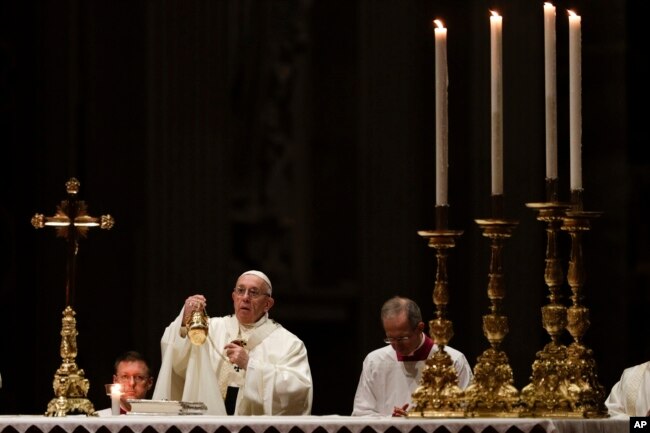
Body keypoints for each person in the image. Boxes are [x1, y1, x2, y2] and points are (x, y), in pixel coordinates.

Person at [152, 270, 313, 415]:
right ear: (233, 297)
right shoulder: (210, 329)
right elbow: (176, 356)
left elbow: (298, 390)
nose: (245, 298)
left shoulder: (288, 343)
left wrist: (251, 365)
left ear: (268, 304)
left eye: (254, 292)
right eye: (240, 291)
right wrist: (184, 319)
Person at [352, 296, 473, 417]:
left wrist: (420, 420)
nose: (396, 345)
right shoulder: (375, 361)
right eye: (390, 338)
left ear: (420, 328)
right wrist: (391, 421)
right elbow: (361, 414)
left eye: (402, 338)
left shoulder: (453, 360)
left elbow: (468, 411)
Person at [95, 351, 154, 416]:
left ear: (149, 383)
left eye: (139, 377)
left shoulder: (160, 420)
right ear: (115, 381)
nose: (132, 383)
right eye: (125, 377)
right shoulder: (98, 419)